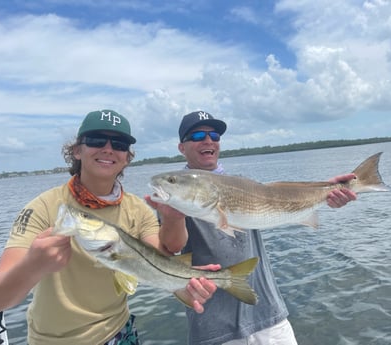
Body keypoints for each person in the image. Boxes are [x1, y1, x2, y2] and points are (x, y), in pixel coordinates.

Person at [0, 109, 217, 345]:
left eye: (119, 144)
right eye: (97, 140)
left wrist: (185, 278)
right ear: (77, 151)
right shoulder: (44, 207)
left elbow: (163, 256)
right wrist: (32, 266)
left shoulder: (137, 209)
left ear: (127, 157)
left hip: (121, 334)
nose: (108, 149)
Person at [148, 110, 357, 345]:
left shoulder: (241, 184)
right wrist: (174, 217)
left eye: (214, 135)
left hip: (269, 315)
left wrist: (324, 189)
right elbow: (171, 247)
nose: (208, 141)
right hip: (214, 326)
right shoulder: (174, 199)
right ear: (181, 147)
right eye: (197, 136)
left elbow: (275, 196)